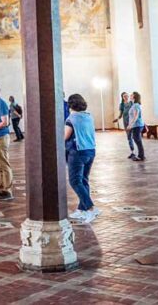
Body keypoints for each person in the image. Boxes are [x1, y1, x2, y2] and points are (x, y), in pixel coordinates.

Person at [65, 94, 98, 223]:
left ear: (70, 105)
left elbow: (65, 136)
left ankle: (90, 208)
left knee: (75, 181)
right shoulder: (89, 116)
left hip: (77, 152)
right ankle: (82, 209)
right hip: (90, 151)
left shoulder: (72, 118)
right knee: (84, 180)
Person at [112, 92, 133, 158]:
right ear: (122, 97)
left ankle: (140, 153)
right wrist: (117, 119)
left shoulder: (132, 103)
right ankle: (132, 152)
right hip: (126, 122)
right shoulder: (121, 105)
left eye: (127, 95)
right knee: (129, 137)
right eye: (124, 96)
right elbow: (121, 114)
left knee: (135, 137)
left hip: (132, 122)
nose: (126, 97)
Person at [126, 92, 145, 161]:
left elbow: (136, 116)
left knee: (137, 140)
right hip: (136, 125)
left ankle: (141, 156)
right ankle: (141, 155)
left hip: (137, 125)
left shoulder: (136, 105)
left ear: (134, 97)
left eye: (131, 95)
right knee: (137, 140)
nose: (130, 96)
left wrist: (130, 125)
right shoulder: (134, 105)